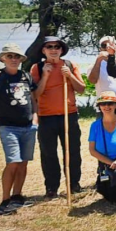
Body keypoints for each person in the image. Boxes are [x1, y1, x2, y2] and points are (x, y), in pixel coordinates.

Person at [0, 43, 37, 214]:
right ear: (3, 59)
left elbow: (33, 99)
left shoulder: (26, 76)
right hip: (8, 127)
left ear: (21, 60)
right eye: (10, 56)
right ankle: (5, 200)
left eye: (17, 57)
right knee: (13, 162)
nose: (14, 59)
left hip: (28, 126)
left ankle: (17, 196)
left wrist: (35, 118)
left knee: (23, 163)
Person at [31, 36, 84, 198]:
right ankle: (52, 187)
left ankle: (74, 184)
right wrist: (46, 76)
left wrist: (70, 76)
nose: (53, 49)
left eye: (57, 47)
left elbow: (81, 89)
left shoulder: (70, 65)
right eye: (49, 47)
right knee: (48, 153)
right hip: (46, 117)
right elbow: (35, 94)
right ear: (43, 50)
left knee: (72, 151)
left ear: (61, 50)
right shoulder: (37, 68)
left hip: (69, 115)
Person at [87, 36, 116, 112]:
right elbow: (92, 81)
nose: (108, 47)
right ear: (100, 49)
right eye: (104, 45)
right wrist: (98, 60)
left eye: (111, 45)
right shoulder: (94, 65)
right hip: (104, 107)